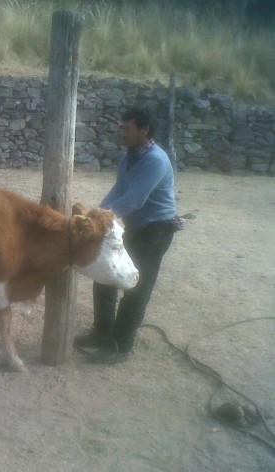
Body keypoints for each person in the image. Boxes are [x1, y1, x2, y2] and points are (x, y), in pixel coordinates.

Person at [74, 106, 178, 363]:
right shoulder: (131, 156)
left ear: (145, 130)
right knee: (106, 274)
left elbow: (133, 200)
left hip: (155, 229)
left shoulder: (155, 159)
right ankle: (102, 332)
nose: (123, 132)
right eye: (122, 127)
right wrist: (96, 212)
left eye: (127, 128)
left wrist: (96, 218)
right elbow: (118, 191)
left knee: (136, 287)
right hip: (131, 224)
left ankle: (120, 346)